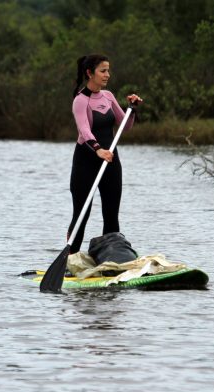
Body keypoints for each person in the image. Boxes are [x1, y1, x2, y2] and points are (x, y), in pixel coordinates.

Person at [67, 54, 142, 254]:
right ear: (89, 73)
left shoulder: (108, 96)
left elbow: (124, 126)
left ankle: (113, 258)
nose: (107, 74)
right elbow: (85, 131)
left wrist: (132, 109)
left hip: (110, 161)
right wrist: (98, 149)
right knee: (81, 215)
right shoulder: (80, 100)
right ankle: (70, 259)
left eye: (108, 70)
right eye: (103, 70)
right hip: (86, 162)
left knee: (111, 214)